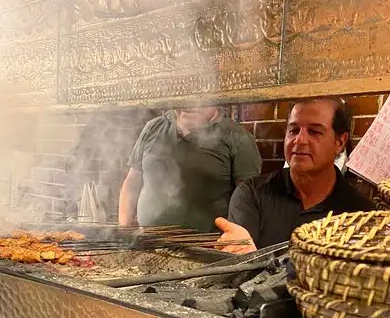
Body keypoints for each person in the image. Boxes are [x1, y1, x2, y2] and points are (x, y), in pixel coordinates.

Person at [215, 97, 374, 253]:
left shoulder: (361, 214)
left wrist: (255, 259)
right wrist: (241, 254)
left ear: (340, 142)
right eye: (293, 130)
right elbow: (239, 258)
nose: (300, 140)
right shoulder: (252, 193)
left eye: (314, 132)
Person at [118, 106, 261, 232]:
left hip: (207, 247)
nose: (189, 104)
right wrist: (124, 228)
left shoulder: (238, 136)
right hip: (148, 241)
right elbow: (132, 181)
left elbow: (248, 199)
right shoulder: (153, 127)